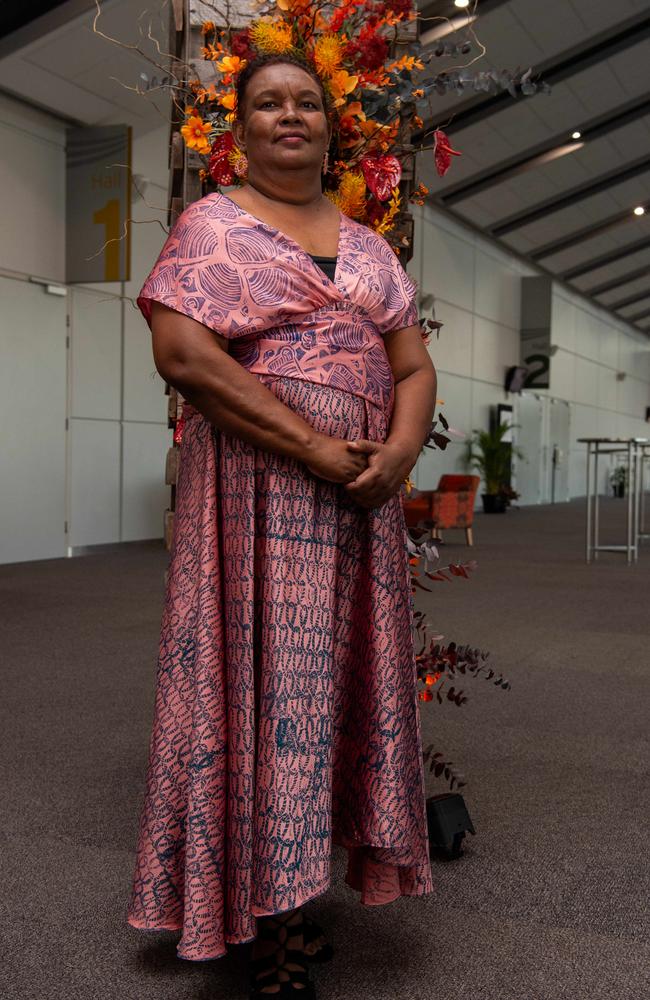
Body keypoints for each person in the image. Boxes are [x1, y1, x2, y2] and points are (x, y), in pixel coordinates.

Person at [127, 53, 437, 999]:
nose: (289, 115)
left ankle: (296, 893)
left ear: (331, 127)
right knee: (272, 692)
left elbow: (414, 369)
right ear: (243, 128)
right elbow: (184, 353)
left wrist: (399, 456)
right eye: (269, 103)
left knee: (334, 692)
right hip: (261, 497)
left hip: (358, 506)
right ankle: (269, 920)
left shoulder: (373, 246)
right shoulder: (211, 225)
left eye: (306, 101)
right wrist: (311, 446)